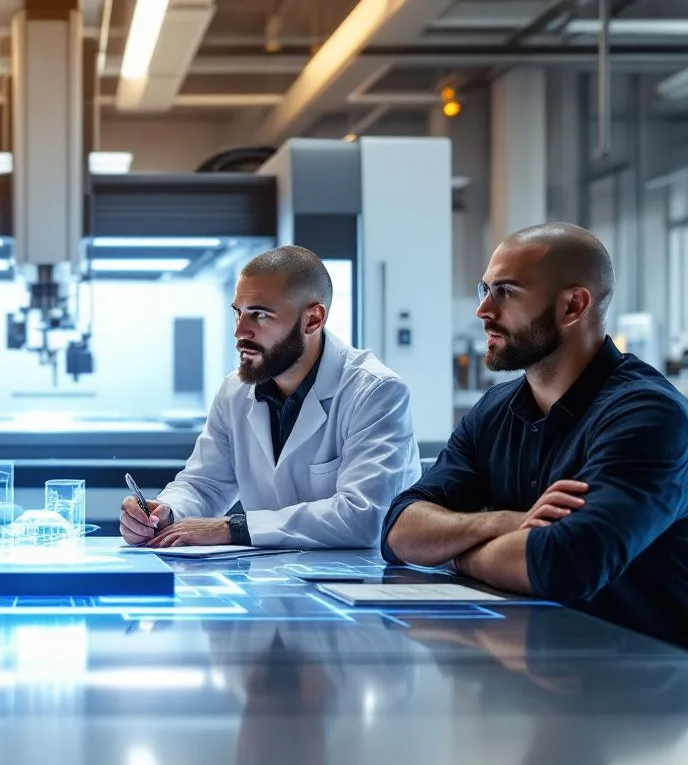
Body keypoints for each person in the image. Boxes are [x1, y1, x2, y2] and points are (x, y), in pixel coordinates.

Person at [382, 223, 688, 648]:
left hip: (639, 684)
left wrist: (453, 550)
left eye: (505, 291)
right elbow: (399, 529)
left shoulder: (648, 415)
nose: (483, 310)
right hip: (527, 662)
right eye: (484, 289)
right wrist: (504, 523)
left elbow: (565, 563)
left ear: (572, 306)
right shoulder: (495, 409)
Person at [120, 245, 420, 549]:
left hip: (360, 582)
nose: (240, 331)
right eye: (238, 312)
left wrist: (232, 528)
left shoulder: (377, 392)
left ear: (313, 320)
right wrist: (166, 513)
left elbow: (364, 517)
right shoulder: (235, 391)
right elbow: (204, 484)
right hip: (269, 580)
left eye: (259, 315)